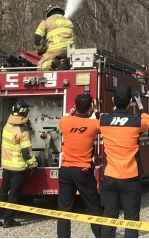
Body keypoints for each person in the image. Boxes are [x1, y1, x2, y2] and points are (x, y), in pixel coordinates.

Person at [98, 84, 149, 238]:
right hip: (130, 177)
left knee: (109, 217)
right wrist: (140, 106)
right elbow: (147, 123)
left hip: (110, 176)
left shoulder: (103, 120)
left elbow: (94, 123)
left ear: (113, 99)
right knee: (131, 218)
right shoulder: (136, 121)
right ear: (130, 102)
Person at [58, 93, 103, 238]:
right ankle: (101, 235)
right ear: (90, 108)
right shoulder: (93, 124)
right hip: (83, 170)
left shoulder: (64, 121)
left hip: (65, 170)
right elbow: (103, 123)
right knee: (93, 207)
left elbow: (71, 115)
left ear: (75, 105)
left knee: (64, 210)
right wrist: (96, 111)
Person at [0, 100, 38, 229]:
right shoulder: (23, 131)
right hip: (18, 167)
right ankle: (8, 220)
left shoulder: (7, 125)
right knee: (14, 194)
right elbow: (26, 152)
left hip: (6, 165)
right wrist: (33, 165)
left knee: (2, 191)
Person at [35, 5, 75, 71]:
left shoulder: (46, 21)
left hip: (56, 50)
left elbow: (37, 38)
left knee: (40, 67)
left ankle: (53, 63)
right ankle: (65, 63)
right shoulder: (68, 21)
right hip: (71, 50)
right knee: (68, 62)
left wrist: (39, 50)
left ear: (49, 13)